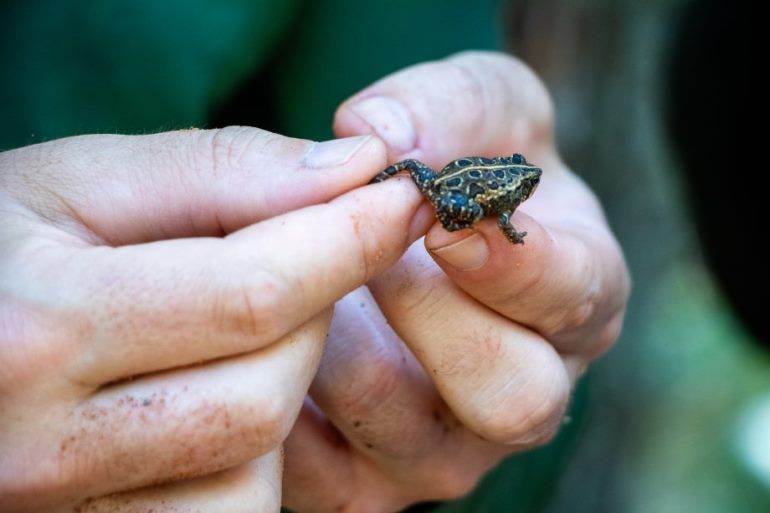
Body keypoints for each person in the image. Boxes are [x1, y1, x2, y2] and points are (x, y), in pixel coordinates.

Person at [0, 7, 630, 513]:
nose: (523, 189)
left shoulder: (497, 184)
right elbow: (501, 213)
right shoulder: (505, 201)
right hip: (448, 193)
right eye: (523, 184)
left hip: (429, 205)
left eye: (523, 183)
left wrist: (510, 391)